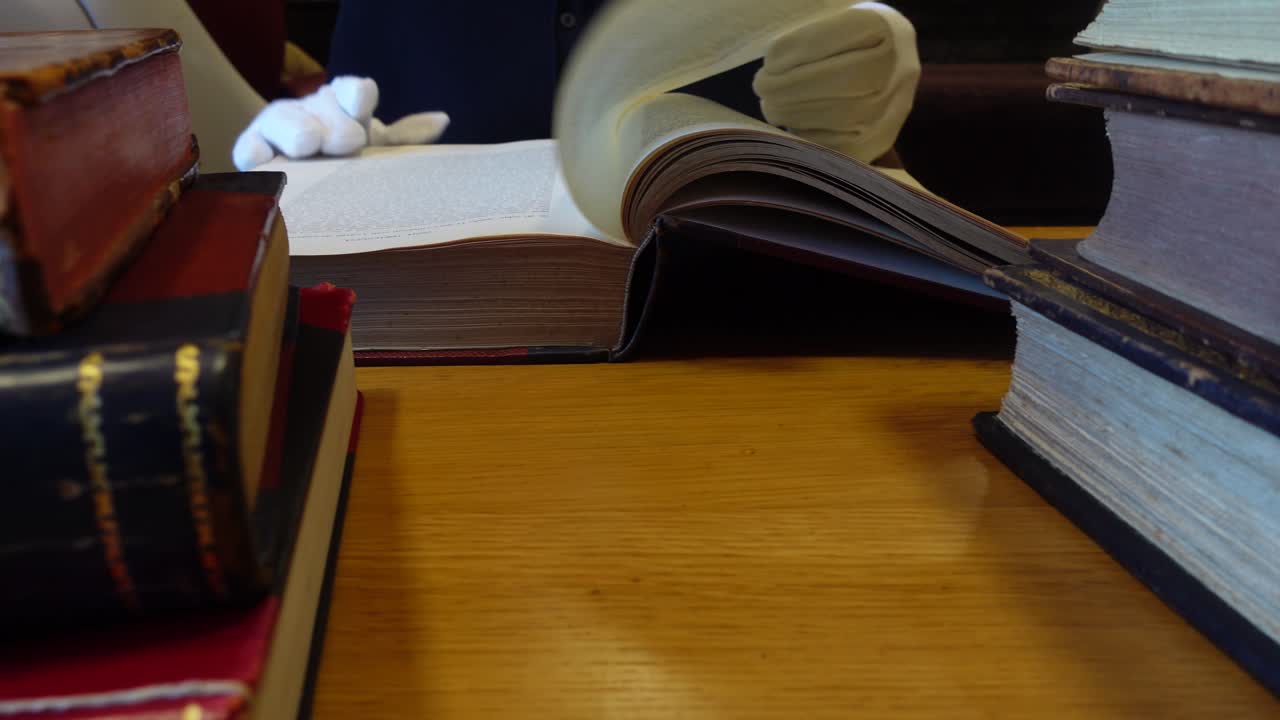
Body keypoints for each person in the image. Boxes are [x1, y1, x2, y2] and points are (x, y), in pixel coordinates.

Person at [236, 1, 921, 171]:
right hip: (447, 356)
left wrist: (875, 35)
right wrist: (319, 174)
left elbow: (839, 76)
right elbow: (361, 105)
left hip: (755, 334)